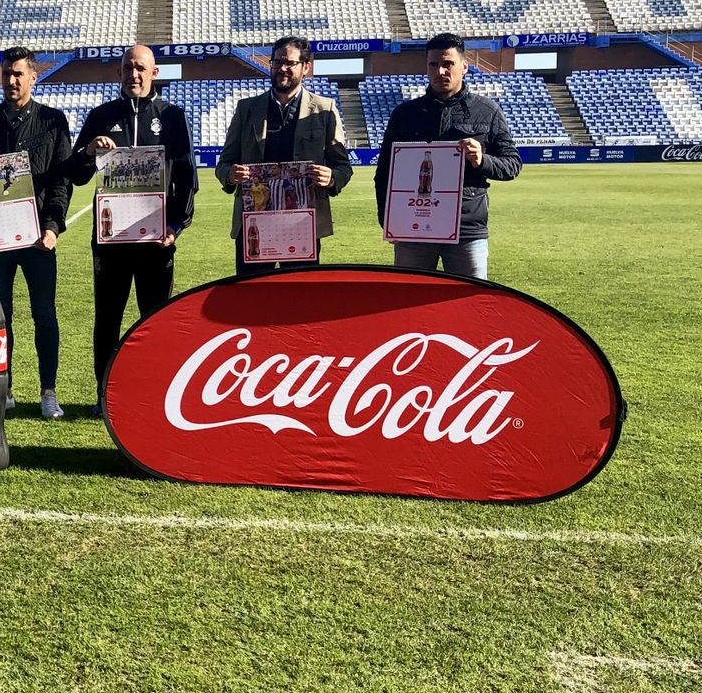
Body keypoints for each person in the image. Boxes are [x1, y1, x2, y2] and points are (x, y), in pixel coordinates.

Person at [67, 44, 197, 410]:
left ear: (154, 73)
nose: (134, 75)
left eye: (141, 68)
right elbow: (75, 174)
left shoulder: (172, 116)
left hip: (156, 240)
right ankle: (104, 393)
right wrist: (90, 151)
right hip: (110, 241)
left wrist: (177, 224)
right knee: (107, 317)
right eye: (127, 68)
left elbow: (187, 176)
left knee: (155, 318)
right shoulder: (100, 116)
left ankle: (153, 391)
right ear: (118, 73)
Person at [0, 46, 73, 420]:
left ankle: (48, 391)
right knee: (0, 315)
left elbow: (61, 180)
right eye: (6, 74)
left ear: (33, 77)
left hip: (38, 237)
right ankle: (5, 387)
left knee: (44, 315)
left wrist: (53, 226)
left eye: (18, 74)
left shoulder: (53, 121)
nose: (11, 81)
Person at [375, 32, 521, 278]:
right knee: (408, 302)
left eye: (448, 64)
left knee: (469, 303)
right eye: (433, 64)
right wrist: (389, 221)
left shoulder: (487, 111)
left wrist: (482, 160)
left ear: (464, 66)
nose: (440, 71)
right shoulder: (405, 113)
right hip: (414, 229)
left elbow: (512, 165)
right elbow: (384, 173)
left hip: (467, 230)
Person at [215, 35, 353, 276]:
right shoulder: (246, 109)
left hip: (302, 224)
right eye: (277, 62)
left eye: (289, 63)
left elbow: (343, 167)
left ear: (306, 66)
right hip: (254, 223)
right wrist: (230, 175)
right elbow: (224, 164)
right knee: (252, 298)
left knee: (299, 299)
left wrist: (330, 177)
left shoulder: (324, 109)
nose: (282, 68)